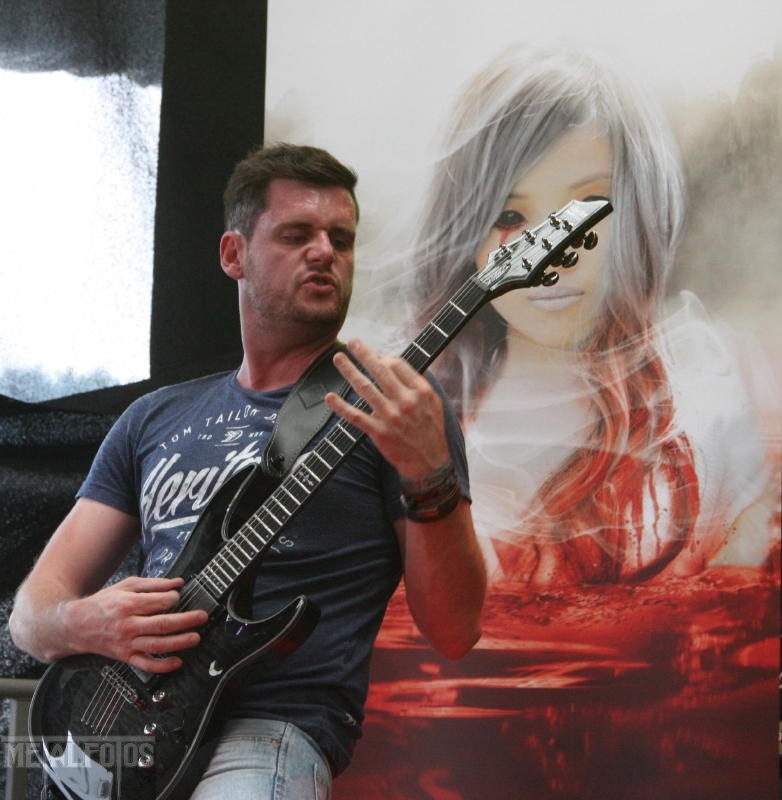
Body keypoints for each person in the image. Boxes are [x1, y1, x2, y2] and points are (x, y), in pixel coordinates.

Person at [9, 143, 487, 799]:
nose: (324, 252)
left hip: (268, 729)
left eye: (341, 239)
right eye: (296, 234)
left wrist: (429, 473)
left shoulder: (393, 411)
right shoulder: (153, 417)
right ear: (234, 254)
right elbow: (31, 616)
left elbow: (456, 631)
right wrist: (86, 622)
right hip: (121, 726)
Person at [391, 45, 779, 587]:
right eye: (511, 215)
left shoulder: (712, 397)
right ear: (465, 231)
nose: (550, 256)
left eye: (588, 214)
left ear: (641, 214)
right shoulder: (418, 417)